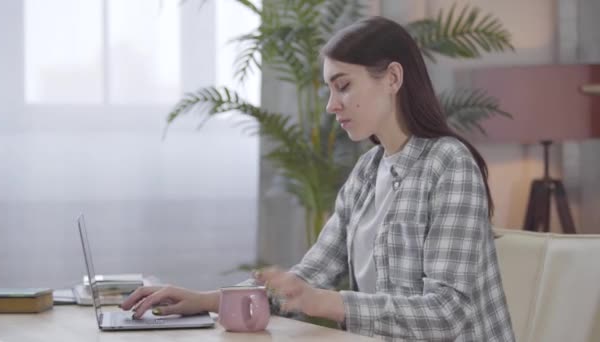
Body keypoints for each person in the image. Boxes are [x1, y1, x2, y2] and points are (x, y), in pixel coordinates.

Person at [120, 16, 515, 341]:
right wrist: (202, 300)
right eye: (330, 89)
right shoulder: (366, 172)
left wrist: (323, 302)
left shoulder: (449, 164)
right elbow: (305, 281)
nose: (331, 105)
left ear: (393, 78)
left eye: (343, 86)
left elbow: (448, 314)